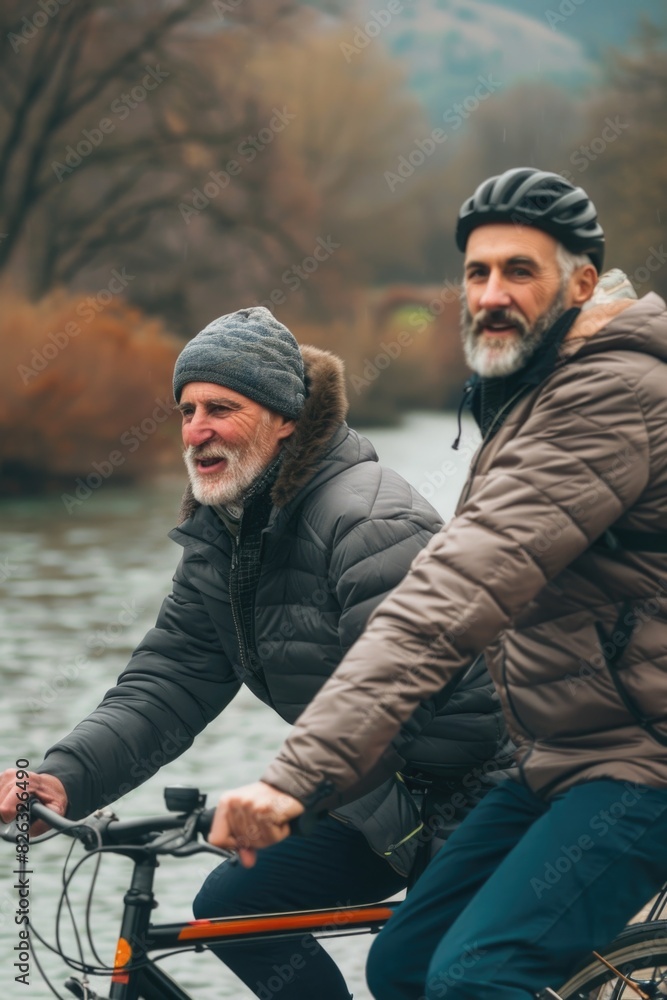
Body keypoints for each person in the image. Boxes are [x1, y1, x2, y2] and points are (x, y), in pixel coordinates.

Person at [208, 168, 667, 1000]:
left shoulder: (604, 398)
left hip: (641, 761)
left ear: (583, 282)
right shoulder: (528, 394)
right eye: (476, 273)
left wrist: (293, 779)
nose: (491, 294)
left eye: (518, 272)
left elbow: (447, 600)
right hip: (558, 760)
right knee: (405, 966)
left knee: (474, 976)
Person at [0, 306, 512, 1000]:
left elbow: (397, 700)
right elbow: (170, 678)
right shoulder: (226, 531)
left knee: (412, 970)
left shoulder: (367, 521)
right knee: (235, 911)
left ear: (287, 419)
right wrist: (65, 777)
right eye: (185, 410)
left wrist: (286, 795)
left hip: (488, 792)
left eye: (221, 408)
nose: (196, 431)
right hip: (379, 796)